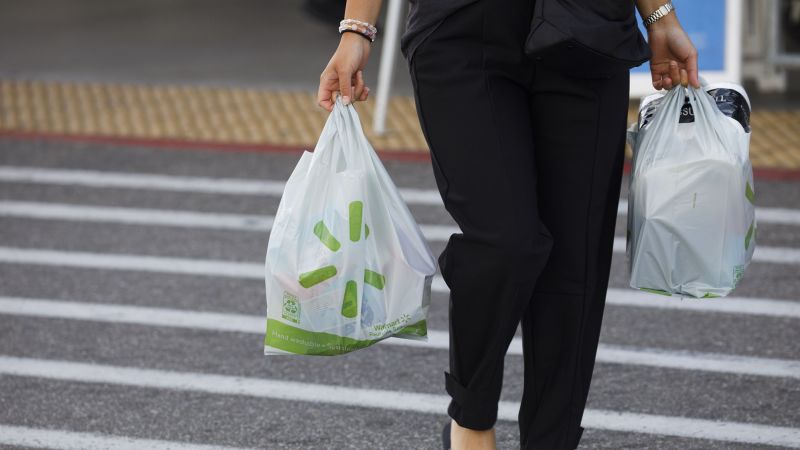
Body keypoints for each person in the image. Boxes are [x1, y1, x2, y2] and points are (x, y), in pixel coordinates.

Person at [317, 1, 699, 448]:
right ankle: (471, 419)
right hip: (460, 27)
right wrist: (357, 30)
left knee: (575, 265)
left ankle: (552, 441)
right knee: (505, 242)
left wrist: (660, 16)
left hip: (587, 26)